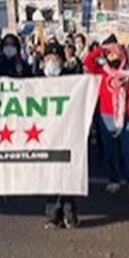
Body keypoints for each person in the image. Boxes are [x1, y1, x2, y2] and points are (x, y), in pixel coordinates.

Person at [84, 38, 129, 199]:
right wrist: (102, 49)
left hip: (126, 116)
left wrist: (126, 87)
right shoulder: (103, 73)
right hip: (106, 116)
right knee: (109, 152)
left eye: (115, 54)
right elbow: (88, 62)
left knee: (128, 150)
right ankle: (114, 179)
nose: (112, 57)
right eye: (109, 54)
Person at [41, 48, 79, 229]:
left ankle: (69, 214)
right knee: (51, 180)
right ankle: (52, 216)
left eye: (55, 59)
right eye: (48, 58)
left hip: (66, 136)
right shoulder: (37, 84)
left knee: (67, 177)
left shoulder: (70, 82)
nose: (52, 62)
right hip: (47, 137)